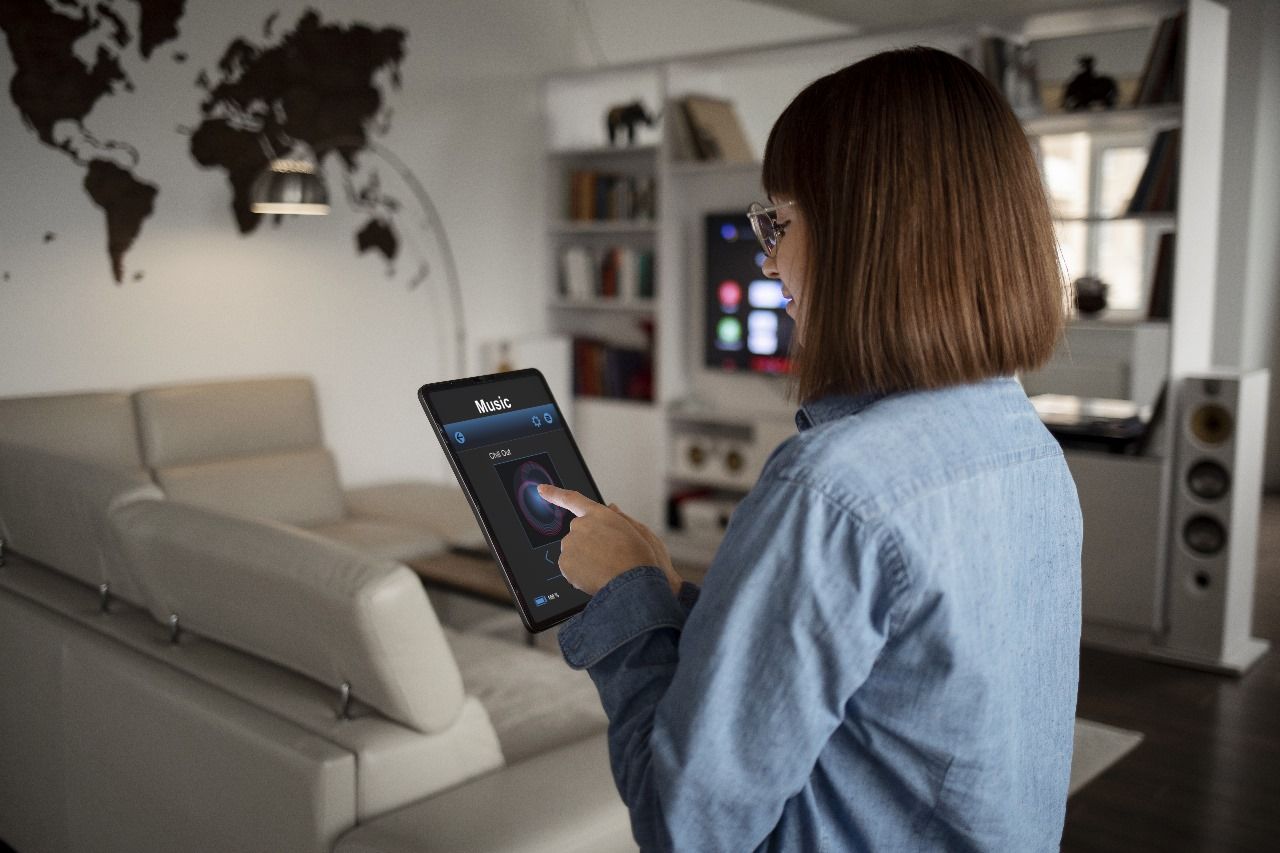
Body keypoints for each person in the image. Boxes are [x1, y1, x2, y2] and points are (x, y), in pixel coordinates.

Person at [537, 45, 1082, 852]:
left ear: (867, 234)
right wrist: (673, 592)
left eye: (781, 222)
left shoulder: (833, 492)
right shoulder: (1026, 445)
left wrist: (626, 595)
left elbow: (686, 827)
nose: (766, 259)